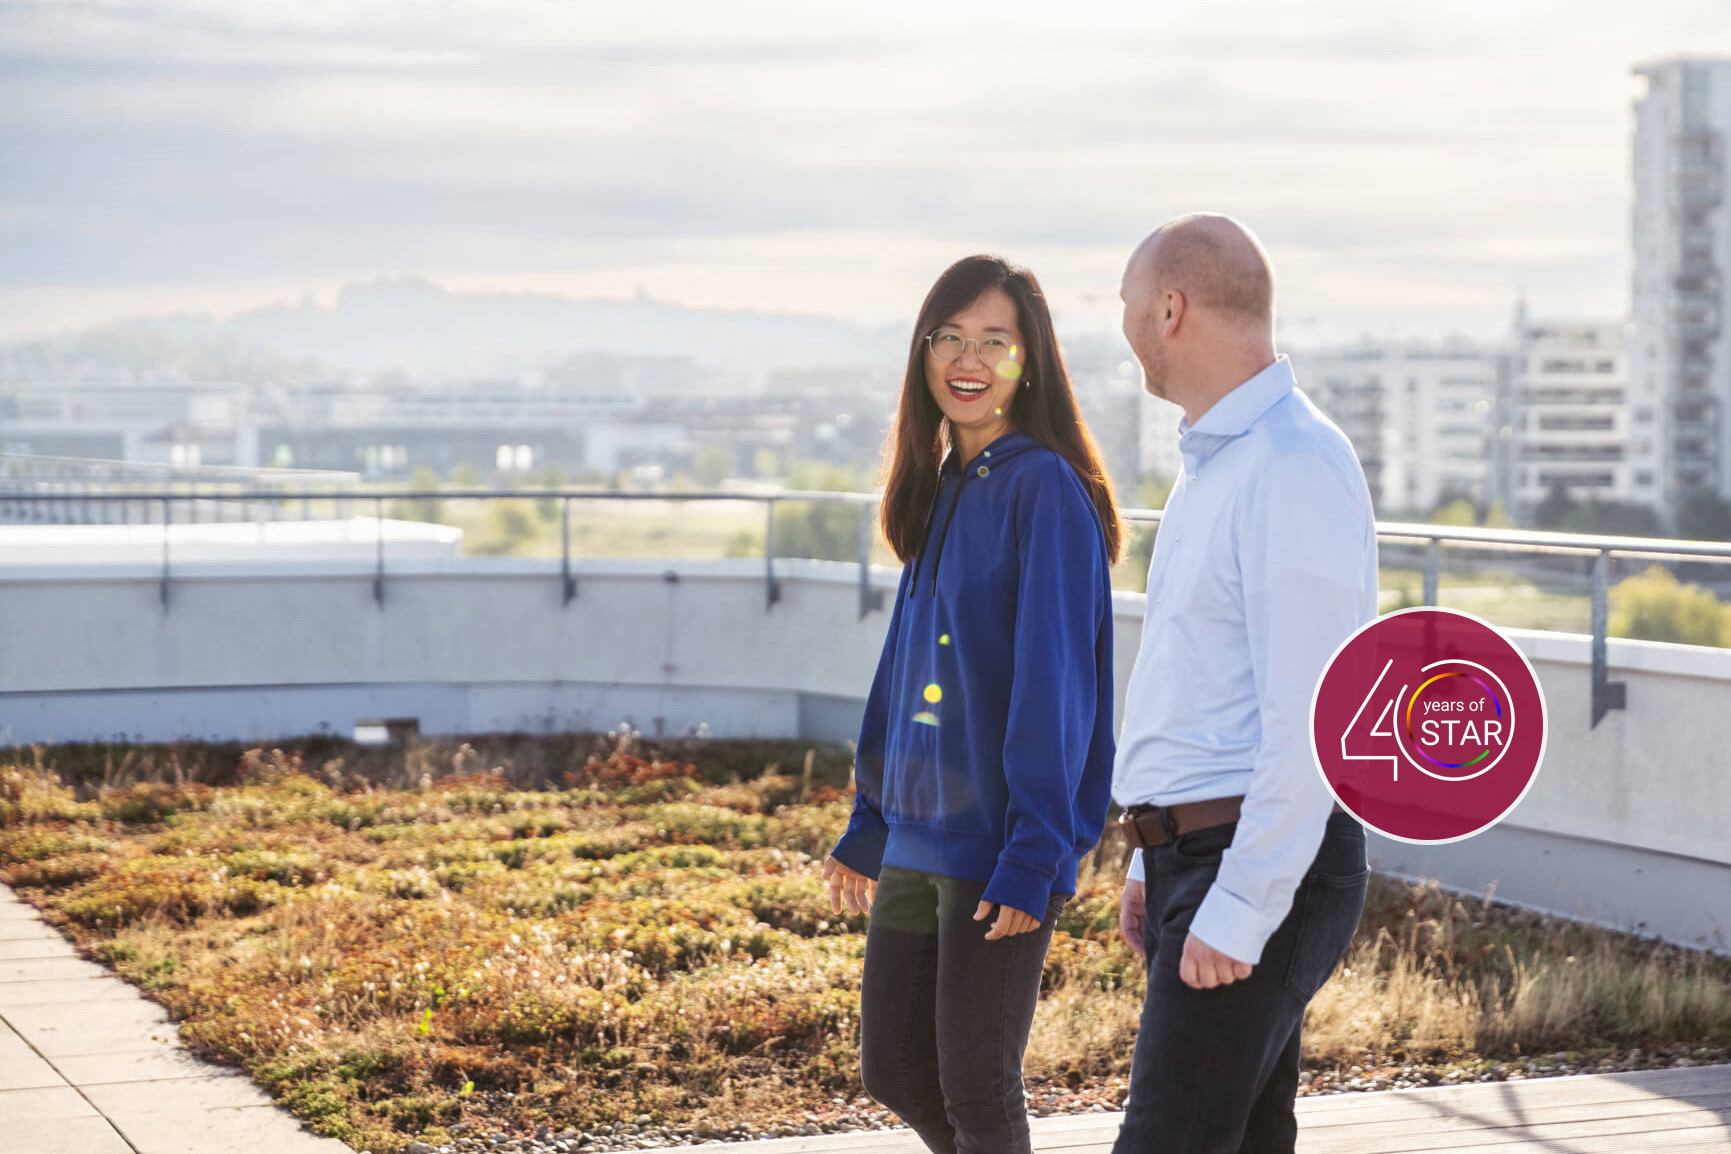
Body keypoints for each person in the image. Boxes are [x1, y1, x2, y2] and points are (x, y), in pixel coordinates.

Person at [821, 254, 1122, 1154]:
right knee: (896, 1068)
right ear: (923, 354)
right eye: (949, 336)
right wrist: (871, 816)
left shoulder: (1043, 490)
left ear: (1030, 364)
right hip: (919, 834)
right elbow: (906, 666)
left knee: (977, 1088)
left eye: (996, 341)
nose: (969, 357)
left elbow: (1056, 684)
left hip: (995, 845)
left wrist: (1037, 852)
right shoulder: (946, 484)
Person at [1109, 214, 1378, 1154]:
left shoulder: (1289, 465)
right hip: (1203, 856)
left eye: (1131, 307)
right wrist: (1150, 856)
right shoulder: (1217, 466)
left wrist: (1241, 902)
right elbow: (1194, 688)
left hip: (1253, 865)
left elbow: (1315, 719)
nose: (1127, 327)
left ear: (1170, 308)